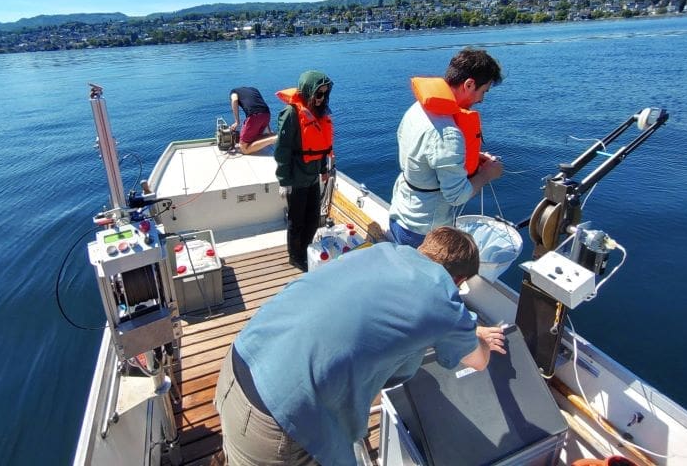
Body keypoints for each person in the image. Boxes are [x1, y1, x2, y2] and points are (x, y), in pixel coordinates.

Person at [214, 226, 507, 466]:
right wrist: (479, 338)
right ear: (459, 281)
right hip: (279, 420)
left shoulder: (381, 252)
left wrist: (465, 327)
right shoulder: (442, 297)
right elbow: (478, 360)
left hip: (239, 364)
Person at [389, 47, 505, 248]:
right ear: (469, 84)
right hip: (423, 233)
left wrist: (469, 156)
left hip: (400, 215)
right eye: (483, 91)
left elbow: (427, 154)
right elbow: (457, 196)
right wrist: (488, 174)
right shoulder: (449, 133)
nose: (482, 100)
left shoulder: (418, 108)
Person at [274, 70, 333, 270]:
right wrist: (284, 181)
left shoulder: (319, 112)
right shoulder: (290, 114)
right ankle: (295, 256)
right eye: (318, 94)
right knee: (296, 221)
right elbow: (282, 150)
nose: (321, 99)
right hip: (296, 179)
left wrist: (324, 168)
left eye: (325, 94)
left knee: (313, 218)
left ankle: (307, 250)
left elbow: (322, 144)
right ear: (308, 92)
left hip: (313, 177)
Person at [229, 86, 277, 154]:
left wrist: (237, 121)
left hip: (254, 116)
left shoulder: (233, 91)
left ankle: (274, 139)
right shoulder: (254, 90)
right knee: (254, 138)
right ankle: (272, 136)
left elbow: (234, 100)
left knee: (243, 148)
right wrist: (269, 131)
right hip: (267, 114)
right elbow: (261, 106)